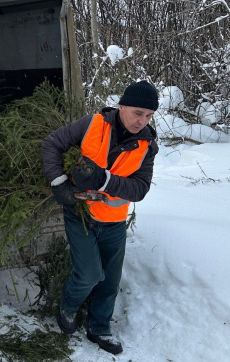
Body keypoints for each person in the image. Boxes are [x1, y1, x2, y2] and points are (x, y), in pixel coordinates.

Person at [41, 80, 159, 355]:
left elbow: (140, 188)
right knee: (89, 274)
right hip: (80, 214)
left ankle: (99, 327)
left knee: (109, 281)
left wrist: (104, 179)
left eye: (149, 115)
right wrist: (59, 183)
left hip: (114, 221)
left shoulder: (147, 145)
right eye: (137, 113)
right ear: (121, 106)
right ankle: (69, 307)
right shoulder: (92, 124)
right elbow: (52, 144)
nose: (142, 121)